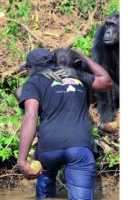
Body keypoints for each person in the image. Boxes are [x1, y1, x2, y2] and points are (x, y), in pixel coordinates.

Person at [17, 48, 113, 199]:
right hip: (79, 147)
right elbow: (107, 81)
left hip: (48, 148)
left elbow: (31, 115)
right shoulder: (81, 78)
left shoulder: (33, 82)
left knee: (45, 182)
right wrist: (83, 56)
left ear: (31, 68)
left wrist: (22, 160)